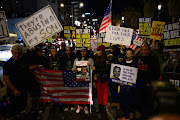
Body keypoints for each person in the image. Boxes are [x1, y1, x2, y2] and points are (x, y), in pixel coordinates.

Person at [3, 45, 34, 118]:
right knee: (15, 108)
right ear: (12, 52)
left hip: (23, 89)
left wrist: (36, 66)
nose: (17, 55)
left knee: (23, 106)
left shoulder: (22, 61)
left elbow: (28, 67)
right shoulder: (8, 64)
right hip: (14, 90)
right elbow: (6, 79)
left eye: (19, 53)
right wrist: (14, 89)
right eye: (15, 53)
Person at [136, 43, 160, 119]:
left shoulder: (153, 59)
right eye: (142, 50)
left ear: (148, 50)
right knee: (140, 100)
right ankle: (143, 115)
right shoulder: (137, 58)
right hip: (139, 84)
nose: (143, 51)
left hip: (148, 84)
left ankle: (150, 116)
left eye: (145, 50)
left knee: (149, 101)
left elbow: (157, 72)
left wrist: (151, 82)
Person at [72, 47, 94, 114]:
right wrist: (74, 70)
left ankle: (86, 106)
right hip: (79, 79)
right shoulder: (76, 59)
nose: (83, 53)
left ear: (86, 52)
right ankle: (79, 105)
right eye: (81, 51)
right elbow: (73, 68)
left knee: (86, 93)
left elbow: (93, 68)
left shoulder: (90, 59)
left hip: (87, 79)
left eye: (84, 51)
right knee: (79, 93)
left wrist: (91, 65)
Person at [117, 48, 137, 120]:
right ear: (125, 54)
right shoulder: (122, 62)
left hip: (131, 86)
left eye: (130, 54)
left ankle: (126, 117)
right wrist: (120, 81)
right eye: (127, 54)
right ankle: (128, 115)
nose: (129, 55)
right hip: (123, 85)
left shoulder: (135, 63)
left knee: (129, 100)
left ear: (132, 54)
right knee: (123, 100)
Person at [92, 44, 109, 114]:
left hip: (104, 77)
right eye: (97, 50)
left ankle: (104, 107)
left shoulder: (106, 58)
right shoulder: (95, 57)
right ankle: (100, 106)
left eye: (99, 51)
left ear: (102, 51)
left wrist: (96, 69)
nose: (97, 52)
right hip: (98, 77)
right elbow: (94, 67)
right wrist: (94, 74)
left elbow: (106, 69)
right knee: (99, 93)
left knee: (104, 93)